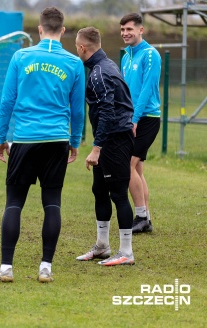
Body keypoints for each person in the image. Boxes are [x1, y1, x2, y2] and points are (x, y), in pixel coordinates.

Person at [0, 7, 85, 283]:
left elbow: (6, 101)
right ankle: (46, 268)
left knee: (14, 203)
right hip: (57, 139)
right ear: (63, 31)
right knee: (52, 203)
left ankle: (6, 268)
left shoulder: (21, 56)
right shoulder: (74, 63)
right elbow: (78, 110)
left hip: (26, 138)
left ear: (39, 29)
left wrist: (0, 137)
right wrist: (74, 141)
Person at [75, 27, 136, 266]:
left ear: (82, 48)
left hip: (115, 139)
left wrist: (97, 148)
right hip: (109, 137)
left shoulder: (99, 73)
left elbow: (108, 112)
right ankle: (102, 246)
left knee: (118, 194)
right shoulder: (106, 65)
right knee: (99, 190)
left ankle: (126, 252)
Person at [119, 13, 161, 234]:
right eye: (123, 30)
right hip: (130, 118)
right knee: (137, 169)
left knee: (128, 166)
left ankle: (141, 217)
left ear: (140, 30)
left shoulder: (150, 54)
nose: (126, 33)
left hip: (147, 119)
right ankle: (147, 219)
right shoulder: (126, 56)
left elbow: (147, 89)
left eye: (129, 29)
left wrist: (134, 119)